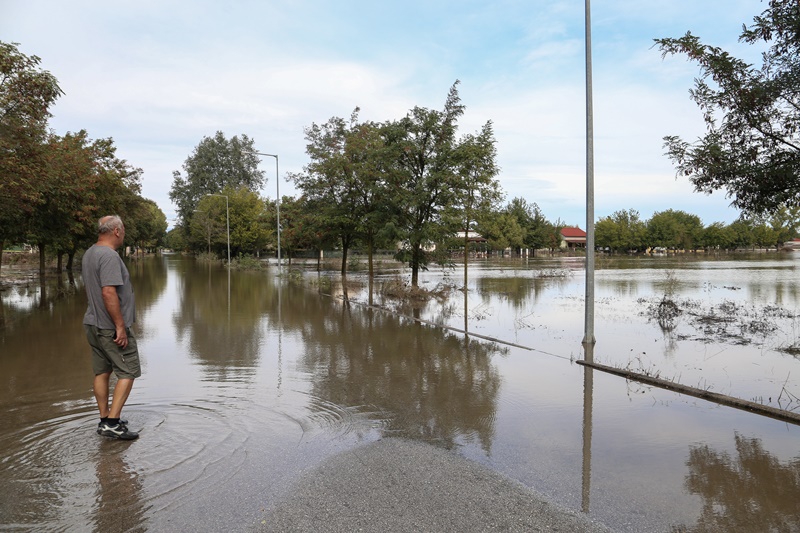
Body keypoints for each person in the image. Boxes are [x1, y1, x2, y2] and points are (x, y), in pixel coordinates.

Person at [82, 215, 140, 440]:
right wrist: (120, 327)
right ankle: (113, 424)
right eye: (123, 229)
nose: (124, 233)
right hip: (109, 327)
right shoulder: (109, 256)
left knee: (102, 371)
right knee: (129, 371)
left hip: (92, 323)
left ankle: (105, 418)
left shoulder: (90, 253)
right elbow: (108, 292)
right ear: (116, 231)